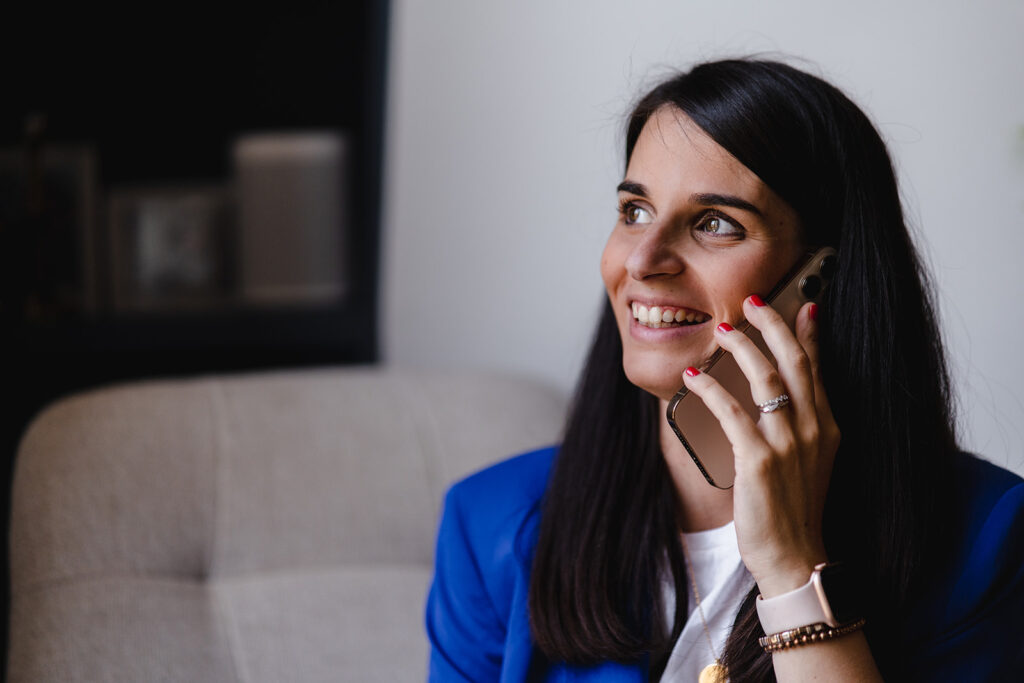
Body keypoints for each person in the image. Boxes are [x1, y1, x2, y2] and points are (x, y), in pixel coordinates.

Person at [425, 58, 1024, 682]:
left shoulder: (989, 539)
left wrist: (793, 570)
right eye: (634, 211)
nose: (644, 260)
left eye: (715, 224)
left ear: (823, 277)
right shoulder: (490, 522)